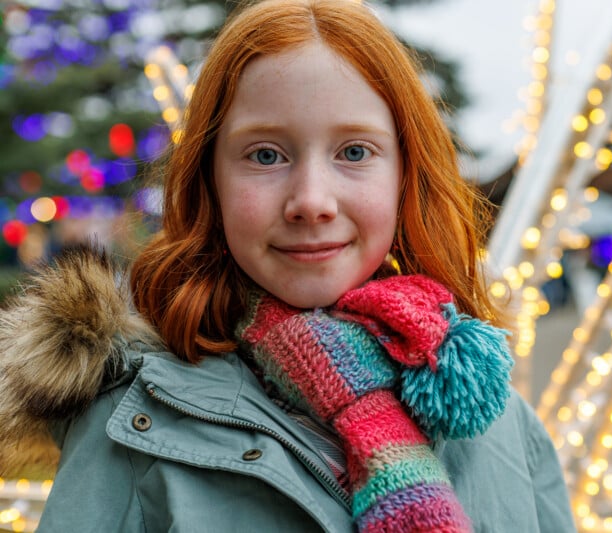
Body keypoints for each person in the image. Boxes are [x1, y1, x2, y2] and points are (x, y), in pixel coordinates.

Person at [0, 0, 576, 531]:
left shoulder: (500, 421)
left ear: (405, 174)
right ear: (211, 183)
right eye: (266, 155)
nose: (312, 201)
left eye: (354, 152)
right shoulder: (132, 427)